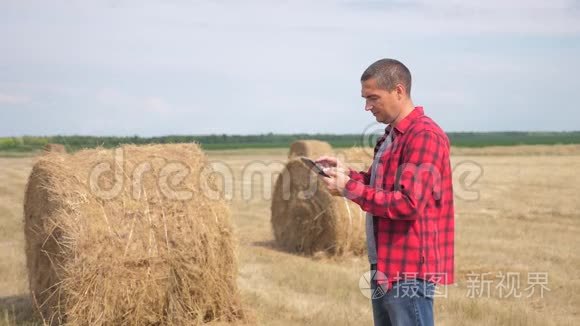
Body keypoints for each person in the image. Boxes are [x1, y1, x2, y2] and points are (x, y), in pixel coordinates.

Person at [316, 59, 455, 326]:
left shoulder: (423, 136)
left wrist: (349, 189)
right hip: (385, 263)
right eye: (364, 98)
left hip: (408, 267)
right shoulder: (392, 136)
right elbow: (379, 185)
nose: (367, 106)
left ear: (399, 91)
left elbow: (408, 203)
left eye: (373, 98)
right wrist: (347, 174)